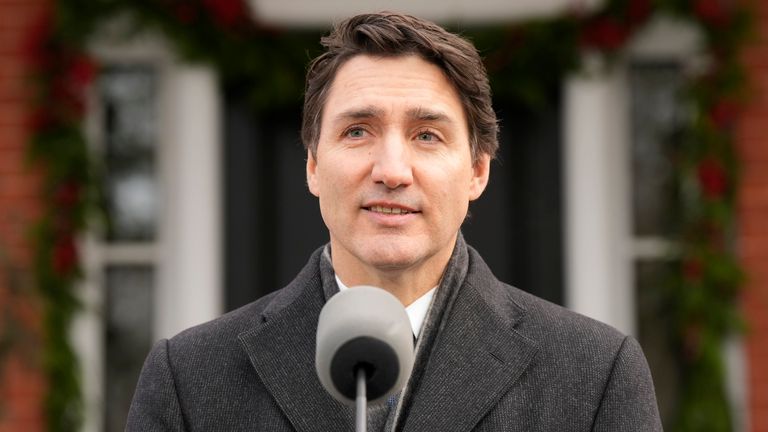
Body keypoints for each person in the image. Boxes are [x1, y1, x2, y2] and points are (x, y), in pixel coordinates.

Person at [127, 12, 662, 431]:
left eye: (427, 135)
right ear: (312, 165)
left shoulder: (596, 375)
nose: (391, 171)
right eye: (357, 131)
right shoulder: (189, 379)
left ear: (477, 171)